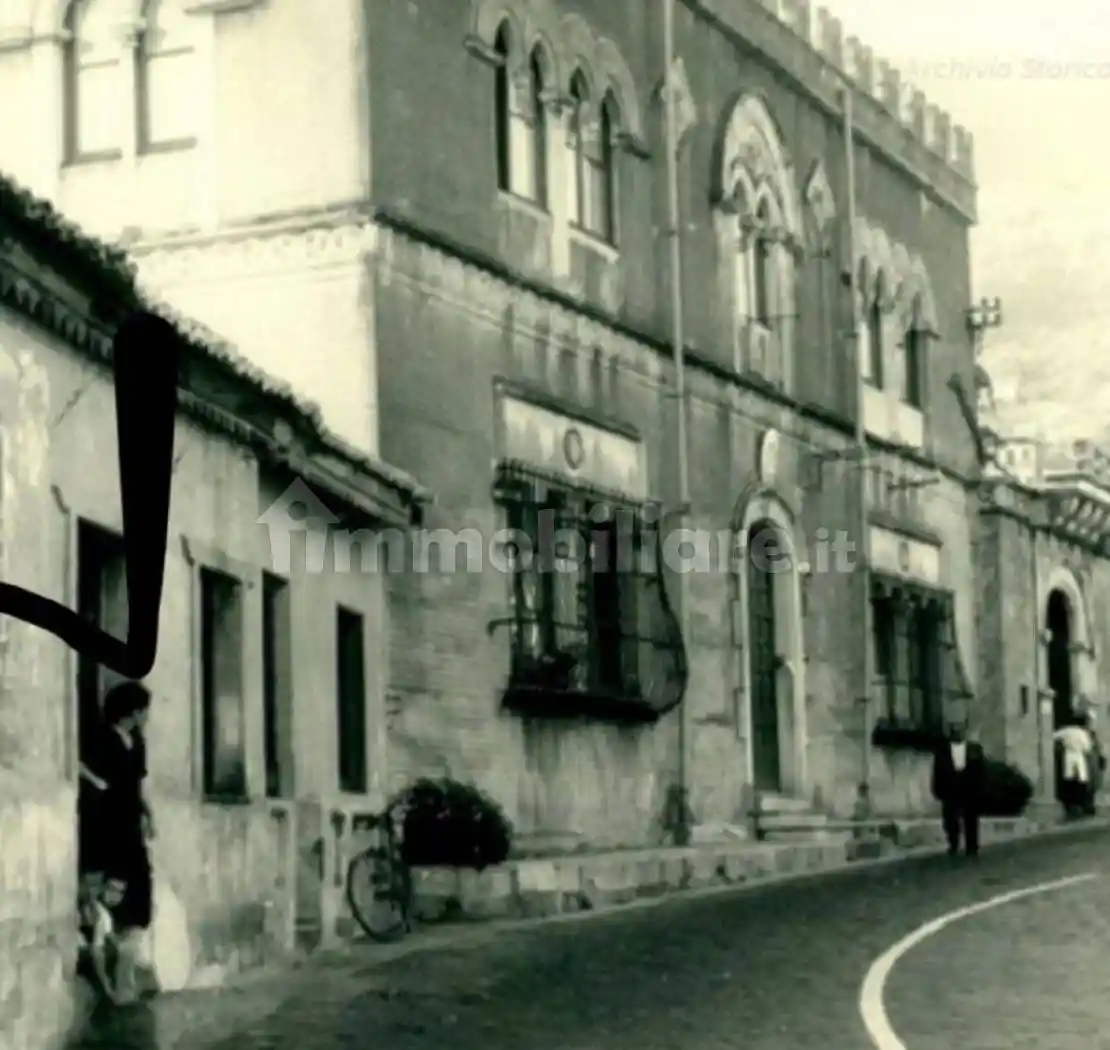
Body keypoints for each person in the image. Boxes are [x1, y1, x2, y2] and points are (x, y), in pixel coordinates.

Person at [81, 680, 157, 1004]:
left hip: (130, 828)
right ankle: (118, 983)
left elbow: (137, 785)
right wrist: (101, 787)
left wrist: (148, 815)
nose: (147, 717)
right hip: (107, 828)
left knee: (139, 900)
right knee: (112, 896)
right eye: (144, 710)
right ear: (132, 711)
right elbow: (83, 768)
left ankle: (123, 974)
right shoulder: (102, 738)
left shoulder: (137, 742)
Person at [931, 721, 985, 857]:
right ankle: (953, 844)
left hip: (970, 788)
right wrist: (937, 790)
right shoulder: (942, 751)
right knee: (950, 819)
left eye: (960, 730)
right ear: (951, 733)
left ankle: (972, 846)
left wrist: (981, 788)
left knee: (971, 818)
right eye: (955, 731)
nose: (958, 733)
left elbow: (981, 770)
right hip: (951, 788)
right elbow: (937, 771)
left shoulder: (975, 749)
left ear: (965, 732)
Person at [1054, 714, 1094, 818]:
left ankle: (1070, 804)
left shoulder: (1067, 731)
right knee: (1081, 779)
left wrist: (1061, 746)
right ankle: (1081, 804)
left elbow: (1054, 736)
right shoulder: (1083, 733)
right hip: (1079, 756)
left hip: (1069, 754)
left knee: (1069, 778)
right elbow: (1088, 748)